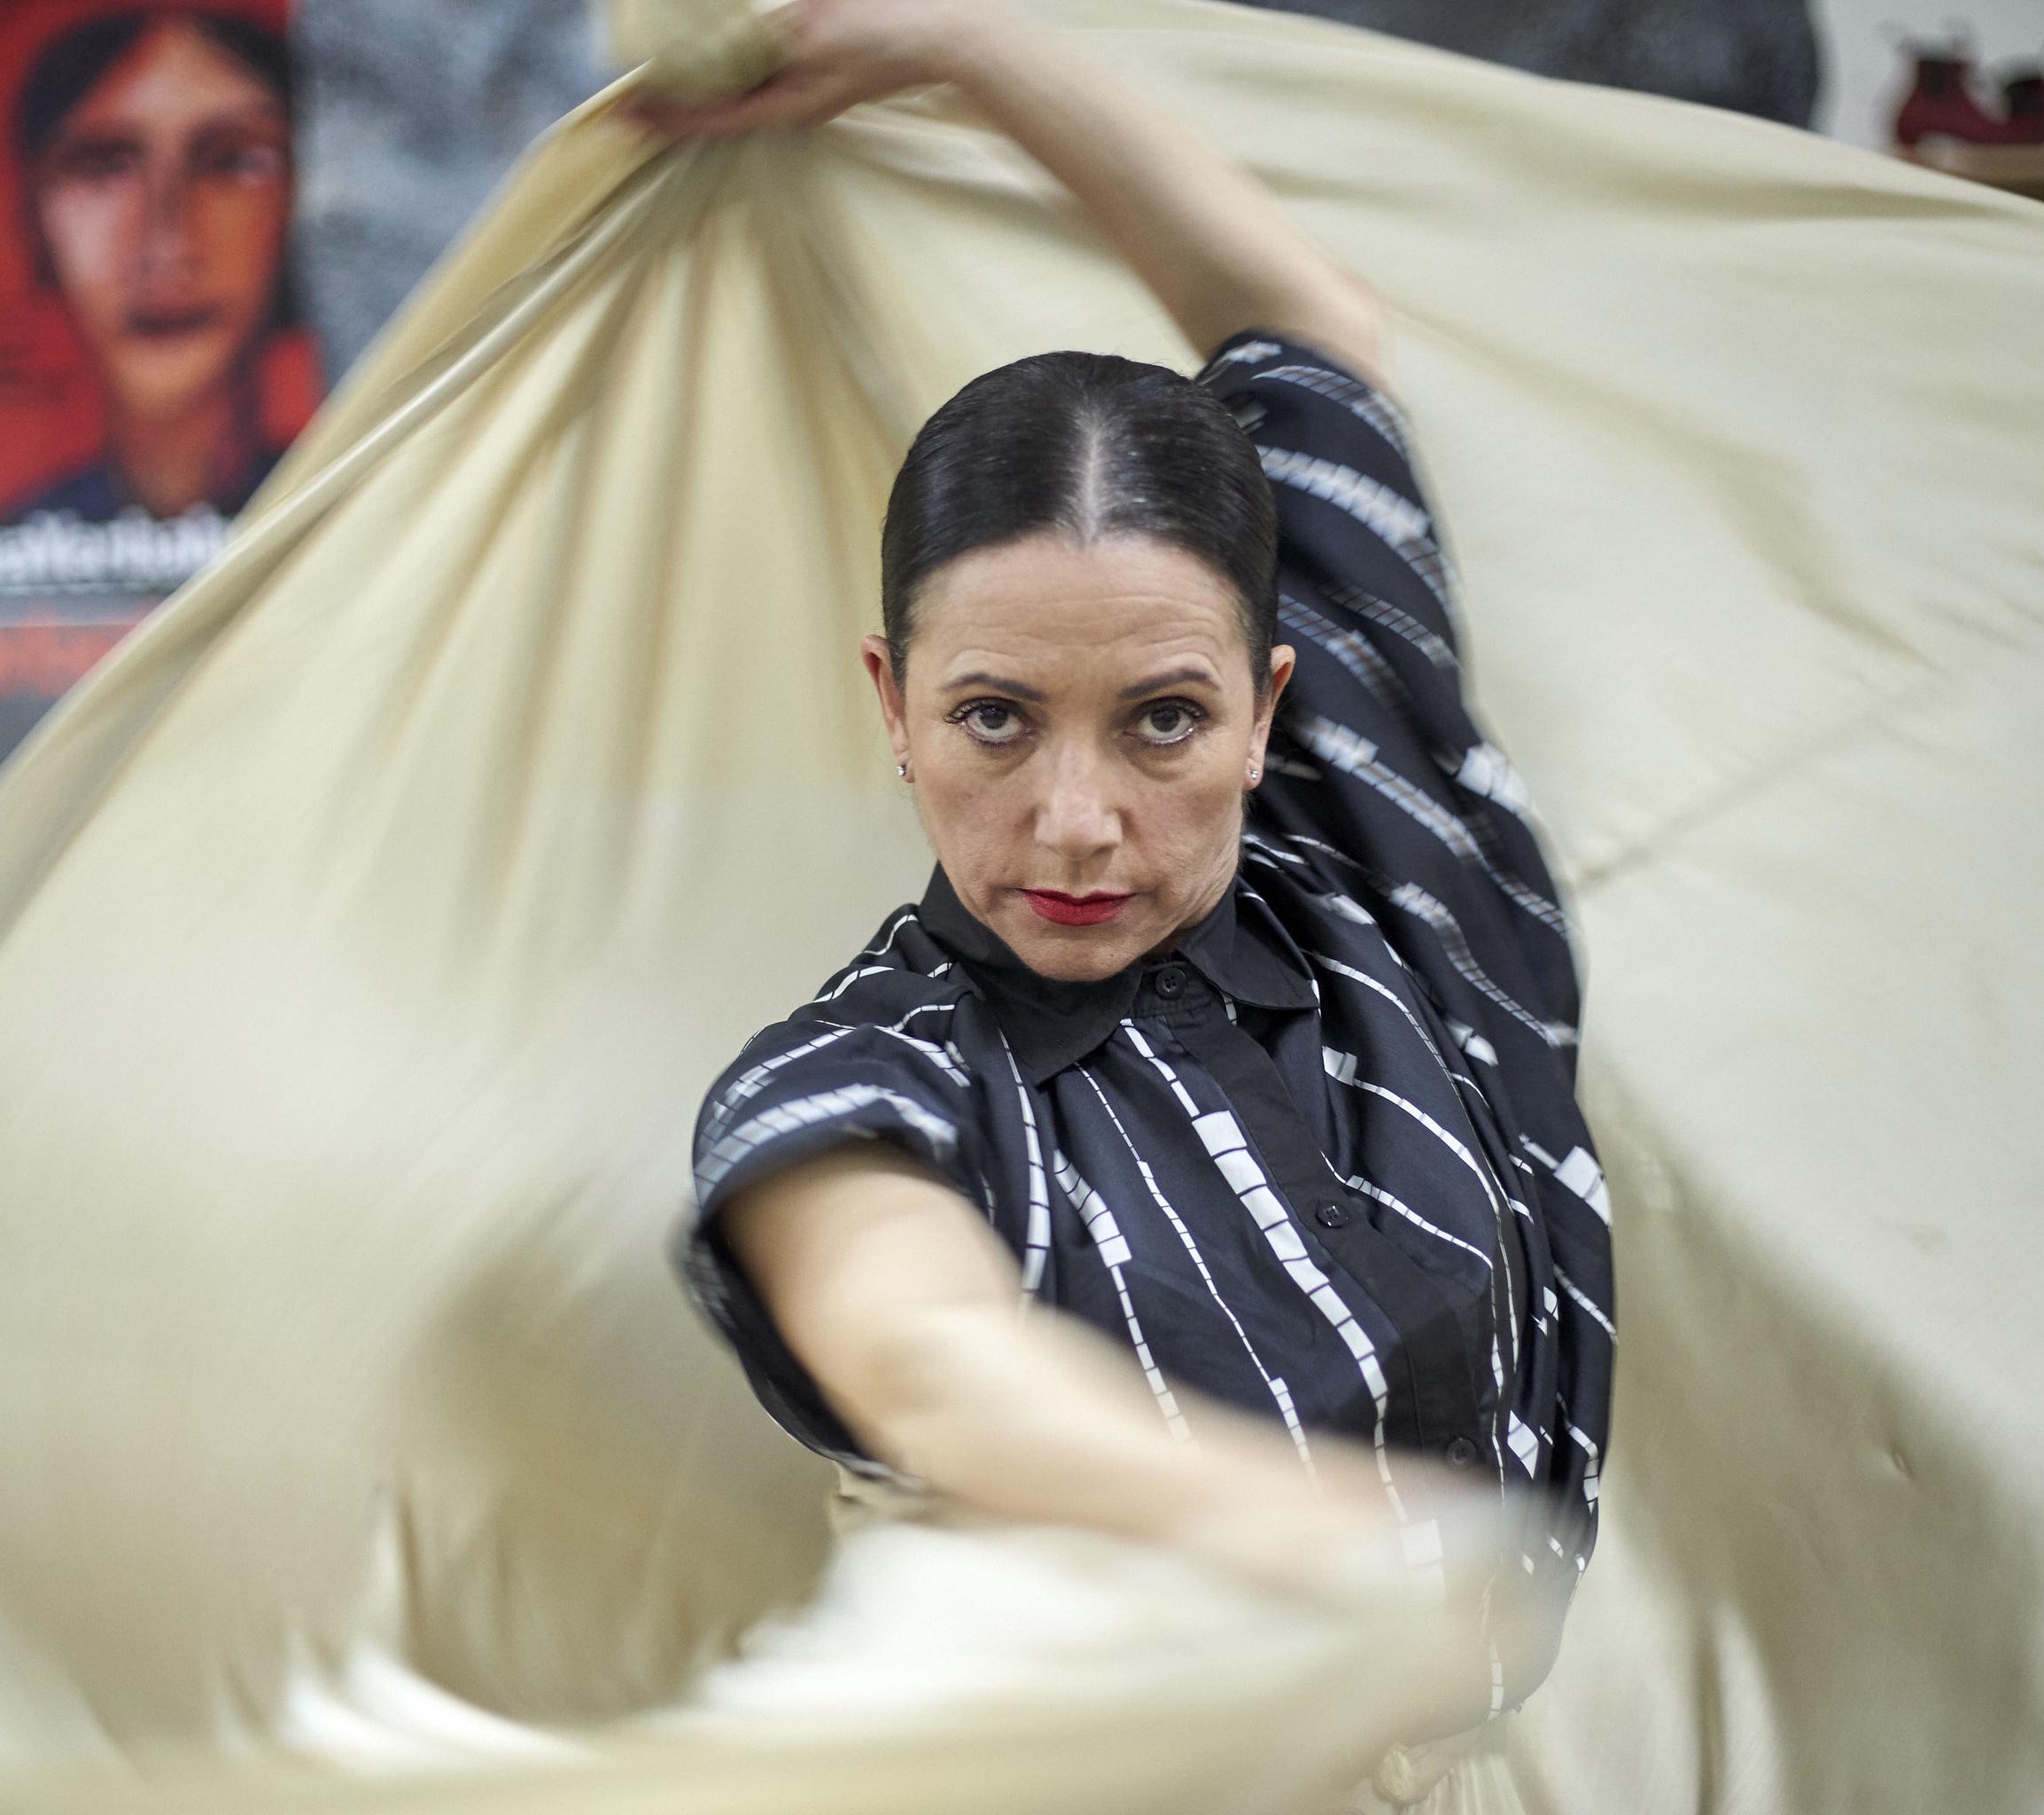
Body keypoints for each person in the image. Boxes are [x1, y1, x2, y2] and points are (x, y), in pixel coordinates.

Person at [645, 0, 1614, 1795]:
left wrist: (960, 47)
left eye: (1162, 721)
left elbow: (1307, 328)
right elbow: (932, 1357)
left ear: (1270, 703)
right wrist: (1305, 1535)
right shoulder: (869, 1081)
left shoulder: (1382, 873)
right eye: (993, 721)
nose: (1074, 821)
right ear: (892, 706)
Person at [0, 9, 298, 527]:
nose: (168, 246)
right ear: (33, 219)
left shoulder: (363, 518)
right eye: (105, 165)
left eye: (232, 161)